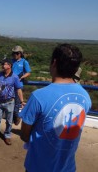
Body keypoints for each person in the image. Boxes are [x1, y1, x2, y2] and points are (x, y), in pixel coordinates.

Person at [19, 44, 91, 172]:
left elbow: (24, 135)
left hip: (38, 167)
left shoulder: (38, 96)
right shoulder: (85, 97)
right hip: (67, 167)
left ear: (54, 63)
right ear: (76, 68)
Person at [0, 58, 24, 145]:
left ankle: (7, 136)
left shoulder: (15, 77)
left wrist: (22, 101)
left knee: (9, 121)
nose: (2, 65)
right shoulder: (0, 75)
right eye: (2, 64)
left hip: (10, 102)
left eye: (4, 64)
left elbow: (19, 90)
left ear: (9, 66)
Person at [11, 45, 31, 125]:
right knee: (9, 101)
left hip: (18, 84)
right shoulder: (11, 61)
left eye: (16, 53)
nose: (14, 54)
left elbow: (28, 72)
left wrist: (22, 77)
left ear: (20, 53)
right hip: (10, 84)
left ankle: (16, 117)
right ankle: (12, 117)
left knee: (17, 103)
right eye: (13, 53)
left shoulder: (24, 62)